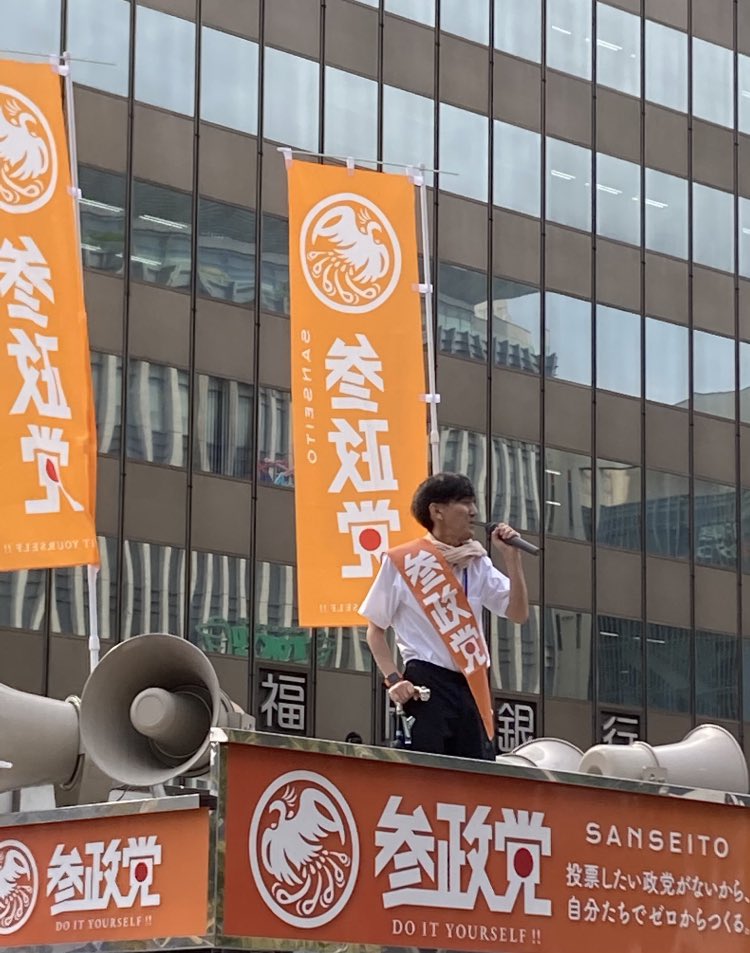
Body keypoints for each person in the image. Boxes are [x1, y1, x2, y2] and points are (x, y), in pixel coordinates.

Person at [360, 472, 529, 760]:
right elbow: (375, 630)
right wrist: (394, 679)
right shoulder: (404, 561)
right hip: (426, 679)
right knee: (426, 770)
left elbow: (518, 613)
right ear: (437, 511)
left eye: (473, 503)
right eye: (464, 503)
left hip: (472, 681)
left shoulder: (478, 563)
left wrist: (512, 559)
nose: (473, 511)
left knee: (476, 771)